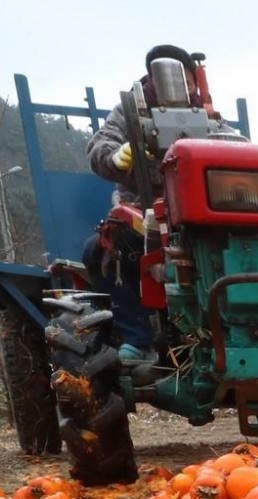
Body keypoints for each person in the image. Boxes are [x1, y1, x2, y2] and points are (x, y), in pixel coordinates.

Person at [83, 45, 201, 368]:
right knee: (101, 252)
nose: (182, 86)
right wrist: (116, 156)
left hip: (196, 216)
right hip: (142, 209)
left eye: (187, 80)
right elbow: (100, 146)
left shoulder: (203, 114)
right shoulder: (130, 112)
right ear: (155, 77)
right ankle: (137, 337)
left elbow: (233, 143)